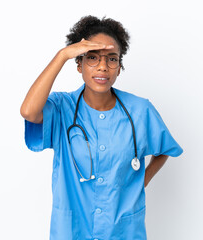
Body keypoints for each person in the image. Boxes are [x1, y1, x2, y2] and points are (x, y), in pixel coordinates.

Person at [20, 15, 183, 240]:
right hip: (73, 231)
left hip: (123, 232)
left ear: (119, 66)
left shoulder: (140, 110)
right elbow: (28, 111)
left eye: (112, 59)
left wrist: (140, 183)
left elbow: (164, 150)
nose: (103, 67)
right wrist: (62, 55)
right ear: (79, 64)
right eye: (92, 58)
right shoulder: (61, 108)